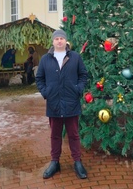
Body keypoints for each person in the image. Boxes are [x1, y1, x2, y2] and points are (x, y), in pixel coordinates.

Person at [35, 29, 88, 179]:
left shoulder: (75, 57)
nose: (59, 41)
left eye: (61, 39)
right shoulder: (46, 59)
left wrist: (78, 89)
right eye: (56, 39)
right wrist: (46, 93)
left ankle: (77, 161)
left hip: (71, 103)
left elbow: (83, 75)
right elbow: (39, 78)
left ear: (66, 41)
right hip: (54, 104)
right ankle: (54, 162)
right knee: (55, 135)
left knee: (74, 135)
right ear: (53, 41)